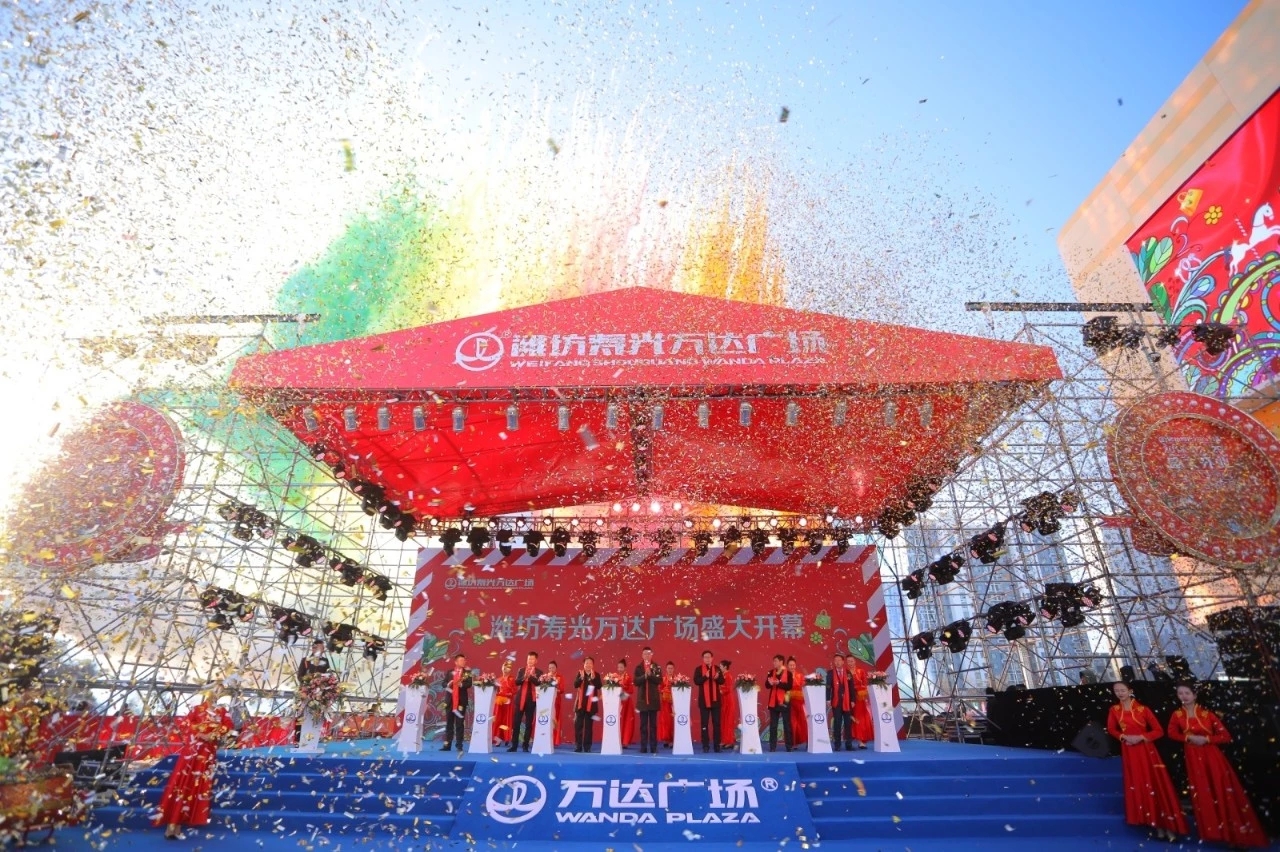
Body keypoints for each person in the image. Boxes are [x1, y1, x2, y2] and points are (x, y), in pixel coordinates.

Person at [1167, 683, 1268, 848]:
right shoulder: (1177, 714)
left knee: (1223, 792)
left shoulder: (1207, 714)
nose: (1184, 696)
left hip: (1212, 757)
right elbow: (1171, 733)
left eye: (1187, 693)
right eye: (1180, 693)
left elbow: (1225, 736)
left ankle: (1236, 835)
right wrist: (1188, 738)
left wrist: (1206, 739)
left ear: (1194, 695)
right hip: (1193, 759)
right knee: (1204, 793)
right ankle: (1218, 833)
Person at [1105, 681, 1187, 841]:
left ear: (1130, 691)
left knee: (1155, 784)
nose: (1120, 693)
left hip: (1147, 751)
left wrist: (1141, 737)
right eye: (1117, 691)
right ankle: (1156, 826)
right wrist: (1123, 737)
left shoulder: (1143, 709)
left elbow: (1159, 731)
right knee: (1141, 785)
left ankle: (1168, 826)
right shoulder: (1114, 710)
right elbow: (1112, 729)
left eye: (1122, 690)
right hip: (1129, 751)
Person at [154, 689, 234, 840]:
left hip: (207, 752)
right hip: (192, 750)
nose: (215, 694)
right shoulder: (197, 709)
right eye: (214, 691)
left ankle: (179, 824)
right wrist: (200, 733)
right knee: (182, 783)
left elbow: (229, 726)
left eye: (219, 691)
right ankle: (172, 824)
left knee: (197, 786)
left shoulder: (223, 712)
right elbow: (186, 723)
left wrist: (213, 735)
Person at [294, 639, 331, 743]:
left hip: (319, 694)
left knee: (317, 714)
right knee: (302, 715)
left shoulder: (325, 661)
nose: (322, 650)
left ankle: (313, 740)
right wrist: (309, 681)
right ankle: (298, 740)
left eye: (323, 648)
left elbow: (328, 675)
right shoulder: (305, 660)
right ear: (314, 648)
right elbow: (300, 676)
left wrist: (323, 683)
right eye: (320, 647)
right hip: (306, 692)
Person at [507, 652, 542, 752]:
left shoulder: (539, 672)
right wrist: (524, 677)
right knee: (516, 723)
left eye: (532, 659)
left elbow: (538, 683)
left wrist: (530, 677)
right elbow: (517, 682)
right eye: (529, 659)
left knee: (528, 724)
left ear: (536, 661)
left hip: (531, 700)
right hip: (520, 700)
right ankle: (514, 745)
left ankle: (525, 745)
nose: (530, 661)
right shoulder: (521, 670)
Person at [692, 649, 724, 753]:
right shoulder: (698, 669)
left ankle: (717, 745)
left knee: (717, 724)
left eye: (709, 657)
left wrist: (717, 678)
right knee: (704, 724)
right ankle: (705, 745)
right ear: (703, 659)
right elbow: (696, 681)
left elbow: (722, 681)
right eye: (705, 657)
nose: (707, 659)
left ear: (712, 658)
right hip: (704, 702)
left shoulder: (717, 668)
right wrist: (705, 677)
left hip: (716, 701)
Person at [634, 647, 663, 754]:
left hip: (653, 700)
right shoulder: (638, 667)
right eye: (645, 653)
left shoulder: (656, 667)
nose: (647, 655)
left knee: (653, 726)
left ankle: (654, 747)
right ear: (642, 655)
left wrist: (650, 675)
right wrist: (644, 676)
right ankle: (643, 747)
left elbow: (659, 680)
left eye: (648, 653)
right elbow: (636, 682)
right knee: (643, 726)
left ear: (652, 655)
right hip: (642, 701)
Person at [440, 653, 472, 751]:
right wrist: (448, 684)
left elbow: (469, 684)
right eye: (461, 660)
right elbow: (443, 683)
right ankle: (447, 745)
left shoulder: (467, 672)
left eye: (464, 660)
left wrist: (461, 684)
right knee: (449, 723)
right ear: (456, 662)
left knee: (459, 724)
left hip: (461, 702)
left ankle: (459, 745)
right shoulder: (450, 672)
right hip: (450, 701)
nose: (464, 662)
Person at [828, 653, 858, 751]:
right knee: (837, 723)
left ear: (843, 662)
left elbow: (851, 688)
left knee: (848, 723)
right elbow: (828, 687)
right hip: (836, 701)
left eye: (839, 660)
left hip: (847, 702)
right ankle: (837, 745)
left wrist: (853, 700)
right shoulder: (830, 673)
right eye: (835, 660)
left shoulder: (848, 673)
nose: (837, 662)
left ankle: (849, 744)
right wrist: (828, 699)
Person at [572, 657, 603, 753]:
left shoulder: (596, 675)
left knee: (589, 727)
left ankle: (587, 746)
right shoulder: (580, 673)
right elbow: (575, 685)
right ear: (584, 664)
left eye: (590, 663)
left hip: (591, 705)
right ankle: (578, 746)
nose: (588, 665)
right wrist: (580, 678)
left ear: (593, 665)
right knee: (578, 726)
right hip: (580, 704)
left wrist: (594, 679)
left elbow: (599, 686)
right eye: (586, 663)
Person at [764, 654, 794, 752]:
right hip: (773, 702)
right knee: (773, 725)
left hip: (784, 701)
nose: (774, 663)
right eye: (774, 661)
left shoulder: (788, 673)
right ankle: (772, 747)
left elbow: (789, 686)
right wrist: (770, 683)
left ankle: (789, 746)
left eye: (776, 661)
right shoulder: (770, 672)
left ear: (781, 662)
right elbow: (766, 685)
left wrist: (778, 683)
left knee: (787, 724)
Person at [492, 660, 515, 746]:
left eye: (507, 668)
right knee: (498, 720)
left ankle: (506, 738)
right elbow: (495, 691)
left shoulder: (512, 679)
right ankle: (497, 738)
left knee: (507, 720)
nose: (505, 669)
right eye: (504, 667)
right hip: (499, 703)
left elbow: (515, 690)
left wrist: (509, 694)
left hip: (508, 703)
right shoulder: (498, 679)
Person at [851, 658, 873, 748]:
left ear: (855, 661)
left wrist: (860, 690)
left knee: (862, 719)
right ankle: (858, 739)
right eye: (848, 661)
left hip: (860, 698)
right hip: (850, 699)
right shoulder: (846, 672)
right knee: (854, 719)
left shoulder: (860, 671)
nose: (850, 663)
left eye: (851, 661)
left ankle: (862, 740)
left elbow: (865, 683)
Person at [787, 657, 807, 747]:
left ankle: (803, 741)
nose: (792, 667)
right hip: (790, 702)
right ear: (787, 666)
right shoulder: (785, 676)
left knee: (801, 722)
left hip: (799, 702)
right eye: (790, 665)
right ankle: (792, 742)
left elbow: (803, 685)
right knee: (792, 723)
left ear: (795, 666)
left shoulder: (800, 675)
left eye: (793, 665)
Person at [616, 659, 637, 747]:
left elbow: (631, 690)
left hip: (626, 702)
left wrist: (622, 692)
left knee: (627, 721)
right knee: (618, 720)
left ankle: (625, 741)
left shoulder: (628, 677)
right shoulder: (614, 677)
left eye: (621, 667)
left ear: (625, 668)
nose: (619, 669)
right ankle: (617, 740)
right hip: (617, 702)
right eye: (618, 667)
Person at [719, 659, 738, 749]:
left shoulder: (728, 676)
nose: (719, 668)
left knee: (729, 721)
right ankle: (724, 740)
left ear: (725, 667)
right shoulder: (723, 675)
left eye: (720, 666)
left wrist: (719, 691)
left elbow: (728, 688)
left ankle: (730, 741)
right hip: (723, 700)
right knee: (724, 721)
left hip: (728, 700)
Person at [547, 660, 565, 748]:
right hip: (547, 702)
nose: (551, 669)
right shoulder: (545, 677)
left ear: (556, 668)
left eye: (553, 667)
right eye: (550, 668)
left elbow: (562, 689)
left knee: (555, 719)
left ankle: (555, 739)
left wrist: (556, 688)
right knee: (547, 719)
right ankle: (546, 738)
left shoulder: (560, 677)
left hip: (556, 701)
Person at [658, 662, 675, 747]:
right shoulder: (663, 679)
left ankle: (673, 740)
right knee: (665, 721)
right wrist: (663, 691)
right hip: (665, 704)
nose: (670, 670)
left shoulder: (677, 679)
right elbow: (659, 689)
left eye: (671, 668)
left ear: (674, 669)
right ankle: (666, 739)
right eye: (668, 668)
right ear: (666, 669)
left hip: (674, 704)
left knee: (673, 722)